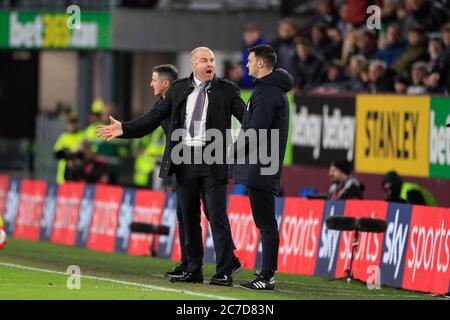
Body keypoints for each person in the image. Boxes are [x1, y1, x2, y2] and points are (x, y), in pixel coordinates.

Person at [97, 47, 246, 286]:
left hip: (213, 160)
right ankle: (194, 268)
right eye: (204, 60)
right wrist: (124, 128)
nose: (210, 64)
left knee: (217, 217)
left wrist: (250, 139)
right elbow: (153, 117)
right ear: (192, 64)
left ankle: (225, 271)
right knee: (188, 217)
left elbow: (245, 117)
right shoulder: (178, 89)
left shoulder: (227, 89)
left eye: (212, 60)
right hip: (185, 160)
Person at [233, 44, 293, 290]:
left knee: (266, 222)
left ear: (260, 63)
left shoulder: (267, 93)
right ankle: (266, 274)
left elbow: (255, 132)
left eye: (249, 60)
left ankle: (267, 276)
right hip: (260, 165)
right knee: (265, 222)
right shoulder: (266, 90)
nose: (246, 65)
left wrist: (230, 153)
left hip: (262, 166)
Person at [53, 113, 85, 184]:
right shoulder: (63, 137)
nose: (72, 125)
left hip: (77, 175)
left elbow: (85, 153)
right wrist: (68, 156)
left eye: (74, 122)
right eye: (71, 123)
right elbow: (56, 153)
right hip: (63, 177)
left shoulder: (82, 136)